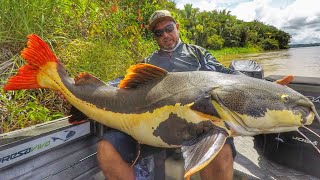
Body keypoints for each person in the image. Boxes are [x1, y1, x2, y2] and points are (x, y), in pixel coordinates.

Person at [97, 10, 236, 180]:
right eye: (158, 32)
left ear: (177, 28)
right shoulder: (147, 62)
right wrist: (93, 89)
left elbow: (228, 76)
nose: (165, 35)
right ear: (155, 37)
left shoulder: (197, 54)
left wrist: (269, 86)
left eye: (169, 28)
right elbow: (122, 83)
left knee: (222, 150)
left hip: (199, 127)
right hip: (154, 129)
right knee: (107, 148)